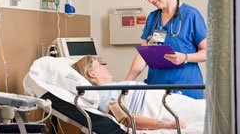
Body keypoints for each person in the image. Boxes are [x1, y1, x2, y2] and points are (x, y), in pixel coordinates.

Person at [125, 0, 207, 99]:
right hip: (156, 89)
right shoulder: (152, 18)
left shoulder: (191, 15)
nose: (150, 0)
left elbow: (208, 52)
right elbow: (143, 55)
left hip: (185, 87)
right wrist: (125, 84)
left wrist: (185, 57)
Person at [72, 55, 205, 130]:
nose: (105, 66)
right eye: (100, 64)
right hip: (166, 110)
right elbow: (129, 120)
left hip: (172, 102)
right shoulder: (102, 94)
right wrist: (168, 124)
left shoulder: (113, 87)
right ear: (92, 73)